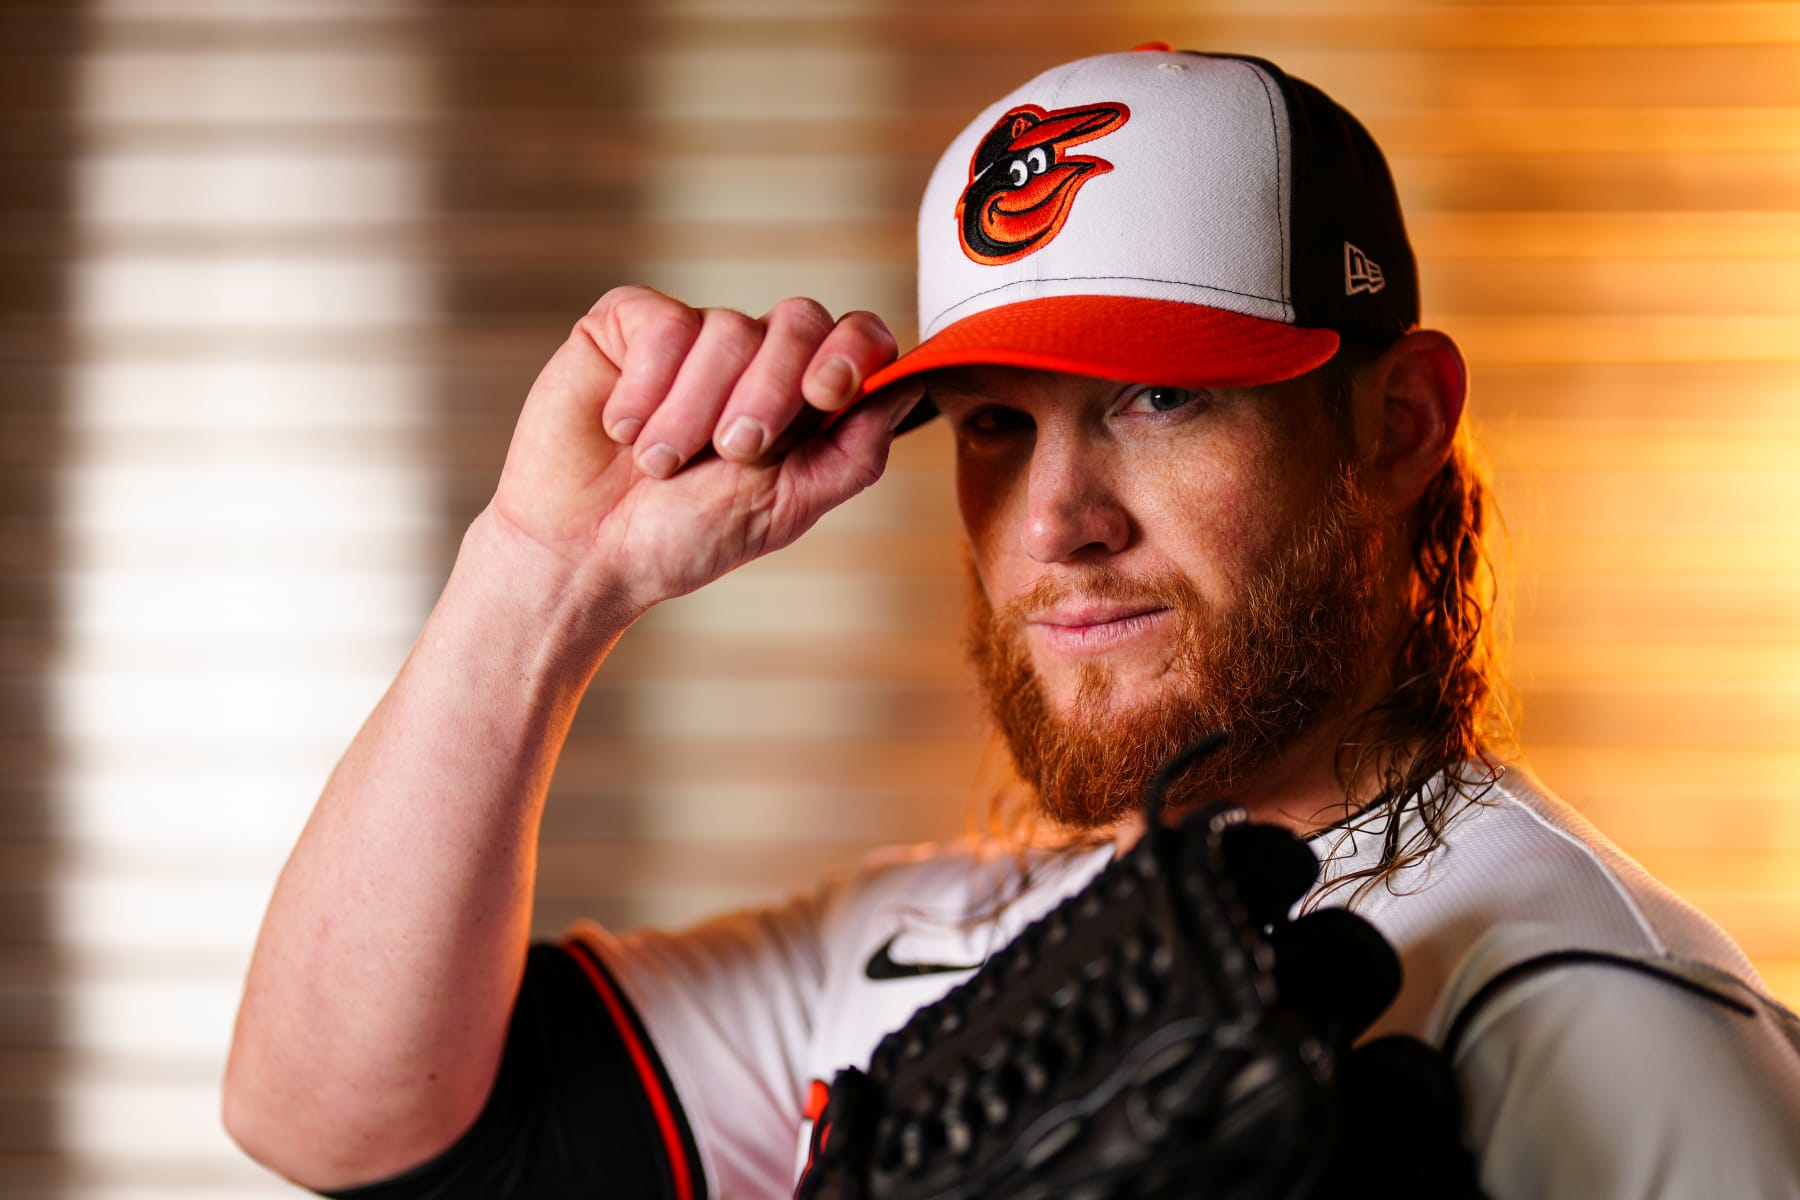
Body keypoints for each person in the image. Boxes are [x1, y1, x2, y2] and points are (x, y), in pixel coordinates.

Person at [222, 47, 1800, 1199]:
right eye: (994, 424)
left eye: (1163, 398)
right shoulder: (928, 954)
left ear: (1396, 427)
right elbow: (332, 1118)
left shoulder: (1604, 1016)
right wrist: (543, 578)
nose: (1056, 521)